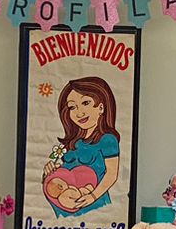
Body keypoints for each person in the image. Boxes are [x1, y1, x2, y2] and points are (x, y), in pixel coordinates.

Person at [42, 77, 119, 218]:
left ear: (101, 107)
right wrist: (50, 170)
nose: (79, 113)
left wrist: (93, 196)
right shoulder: (73, 141)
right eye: (72, 107)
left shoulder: (107, 139)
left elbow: (112, 174)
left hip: (93, 207)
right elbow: (64, 170)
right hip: (61, 210)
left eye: (85, 103)